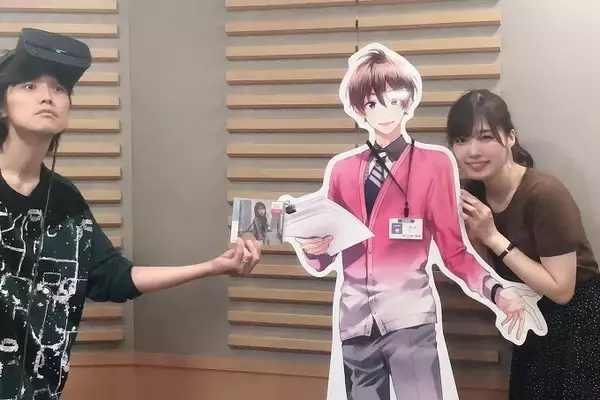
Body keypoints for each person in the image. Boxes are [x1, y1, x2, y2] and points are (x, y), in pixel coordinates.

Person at [0, 29, 261, 400]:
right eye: (29, 86)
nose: (47, 96)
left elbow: (114, 277)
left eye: (59, 89)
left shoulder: (66, 202)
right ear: (2, 105)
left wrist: (213, 267)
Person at [293, 45, 541, 400]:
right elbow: (326, 254)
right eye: (373, 104)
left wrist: (496, 292)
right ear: (360, 109)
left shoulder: (433, 165)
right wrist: (314, 248)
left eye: (393, 100)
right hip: (356, 326)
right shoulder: (342, 171)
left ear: (408, 102)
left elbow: (455, 252)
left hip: (410, 320)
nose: (384, 112)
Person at [447, 89, 600, 400]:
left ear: (510, 138)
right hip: (529, 317)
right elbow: (485, 271)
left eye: (485, 137)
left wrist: (493, 237)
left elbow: (562, 290)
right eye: (461, 139)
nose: (472, 151)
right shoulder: (472, 196)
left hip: (577, 322)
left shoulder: (544, 193)